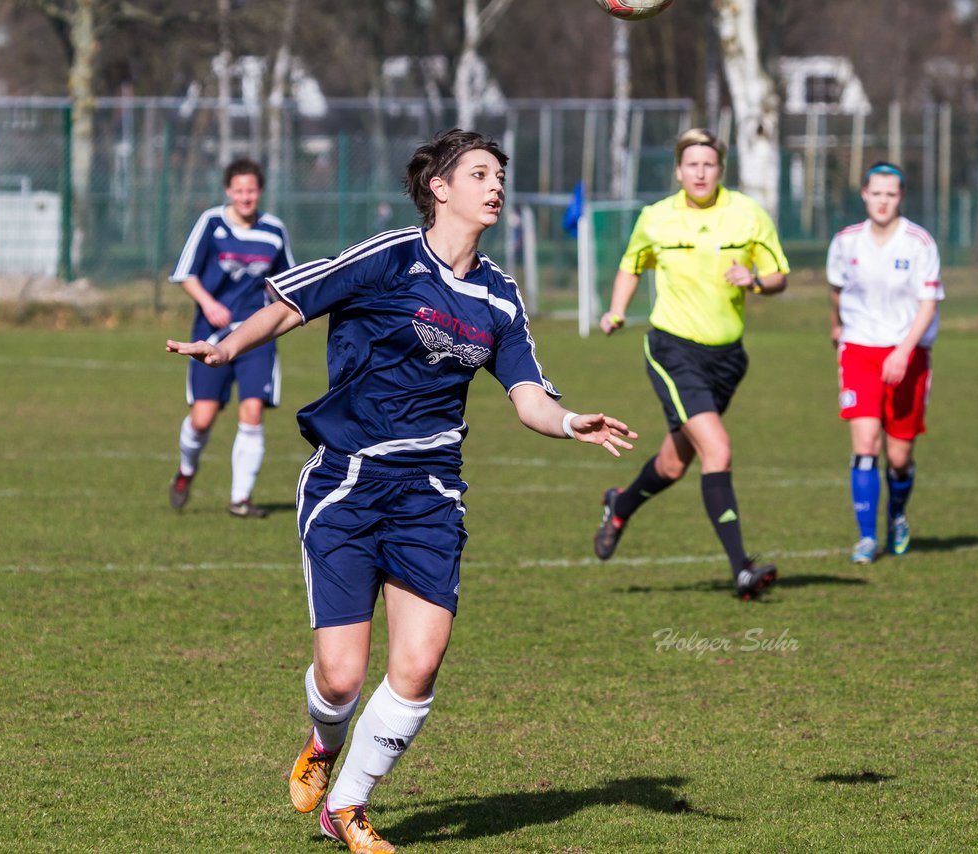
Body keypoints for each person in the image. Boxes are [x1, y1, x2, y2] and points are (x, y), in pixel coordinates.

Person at [167, 129, 636, 853]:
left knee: (417, 665)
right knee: (342, 676)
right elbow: (293, 304)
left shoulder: (499, 297)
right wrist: (228, 347)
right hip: (348, 482)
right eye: (480, 172)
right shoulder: (389, 258)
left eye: (500, 174)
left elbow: (527, 395)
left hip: (429, 493)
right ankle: (324, 746)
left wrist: (571, 420)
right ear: (440, 188)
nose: (497, 185)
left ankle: (347, 807)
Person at [591, 128, 788, 601]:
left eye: (710, 164)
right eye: (692, 165)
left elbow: (780, 275)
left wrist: (756, 281)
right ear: (678, 171)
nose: (701, 172)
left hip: (728, 359)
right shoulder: (656, 218)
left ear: (721, 170)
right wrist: (617, 309)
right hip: (673, 349)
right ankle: (741, 568)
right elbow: (632, 264)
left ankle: (620, 504)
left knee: (675, 463)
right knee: (716, 450)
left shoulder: (748, 215)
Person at [827, 162, 942, 564]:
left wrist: (903, 350)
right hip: (859, 351)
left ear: (901, 198)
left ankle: (896, 513)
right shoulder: (845, 241)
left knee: (898, 457)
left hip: (908, 353)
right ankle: (865, 537)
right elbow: (837, 288)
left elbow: (928, 305)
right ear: (864, 194)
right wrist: (836, 325)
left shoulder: (919, 243)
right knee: (865, 444)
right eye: (876, 193)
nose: (882, 201)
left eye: (890, 194)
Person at [167, 158, 295, 517]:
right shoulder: (211, 223)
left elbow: (286, 282)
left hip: (256, 335)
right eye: (238, 190)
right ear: (228, 191)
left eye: (251, 190)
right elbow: (185, 273)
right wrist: (209, 305)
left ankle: (240, 499)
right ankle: (186, 470)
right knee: (203, 418)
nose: (245, 196)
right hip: (210, 336)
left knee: (252, 412)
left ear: (260, 191)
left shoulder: (273, 230)